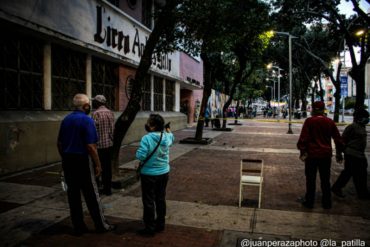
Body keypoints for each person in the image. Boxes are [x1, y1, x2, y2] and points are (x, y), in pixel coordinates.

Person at [57, 93, 115, 235]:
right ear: (86, 106)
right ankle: (101, 225)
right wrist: (98, 164)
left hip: (68, 160)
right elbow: (91, 146)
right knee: (91, 194)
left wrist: (64, 157)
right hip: (82, 160)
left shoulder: (66, 120)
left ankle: (79, 226)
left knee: (73, 195)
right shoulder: (86, 120)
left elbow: (59, 143)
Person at [297, 101, 344, 209]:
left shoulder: (309, 121)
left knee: (310, 179)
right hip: (325, 155)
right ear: (323, 110)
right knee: (325, 180)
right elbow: (338, 139)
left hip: (312, 155)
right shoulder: (330, 122)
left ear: (313, 109)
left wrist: (303, 152)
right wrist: (339, 153)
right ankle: (327, 203)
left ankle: (309, 202)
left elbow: (303, 139)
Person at [136, 114, 174, 236]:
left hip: (149, 174)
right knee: (160, 198)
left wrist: (138, 155)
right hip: (164, 172)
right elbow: (171, 137)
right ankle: (160, 224)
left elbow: (141, 156)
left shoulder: (146, 138)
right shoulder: (166, 137)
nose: (147, 124)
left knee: (148, 201)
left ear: (152, 126)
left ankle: (149, 228)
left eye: (148, 122)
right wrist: (168, 130)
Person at [332, 108, 370, 200]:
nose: (367, 119)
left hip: (360, 154)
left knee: (360, 174)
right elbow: (341, 141)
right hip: (351, 154)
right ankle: (337, 188)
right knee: (349, 172)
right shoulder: (352, 127)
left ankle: (362, 192)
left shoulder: (362, 126)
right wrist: (339, 154)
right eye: (365, 117)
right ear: (359, 118)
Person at [92, 95, 115, 196]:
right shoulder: (110, 113)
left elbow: (93, 131)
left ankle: (97, 188)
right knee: (107, 168)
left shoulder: (95, 114)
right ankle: (108, 189)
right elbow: (112, 130)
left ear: (97, 103)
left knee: (97, 167)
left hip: (98, 146)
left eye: (94, 102)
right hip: (108, 145)